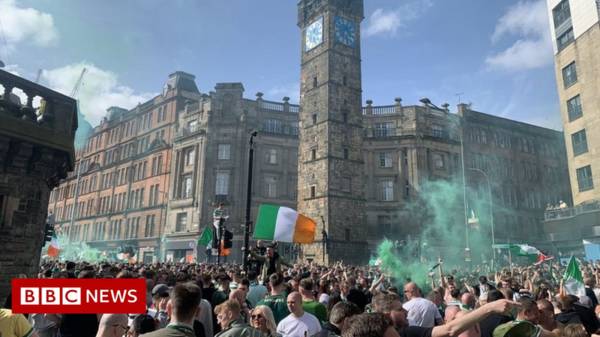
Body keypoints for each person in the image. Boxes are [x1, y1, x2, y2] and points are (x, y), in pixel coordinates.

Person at [371, 292, 522, 337]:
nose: (406, 311)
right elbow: (450, 329)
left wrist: (488, 308)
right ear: (385, 314)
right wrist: (489, 308)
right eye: (399, 309)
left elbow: (449, 330)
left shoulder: (409, 332)